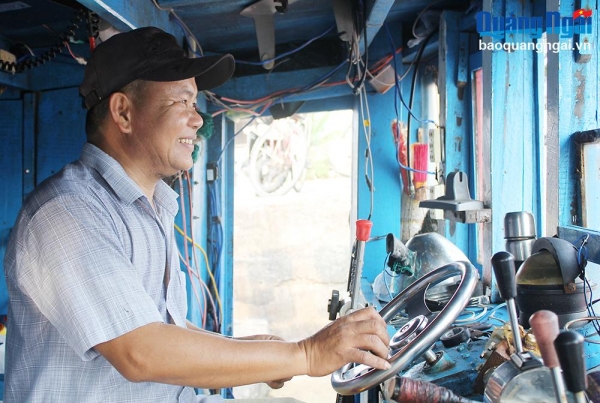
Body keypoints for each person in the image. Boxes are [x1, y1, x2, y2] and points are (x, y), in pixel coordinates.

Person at [3, 26, 391, 402]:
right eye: (181, 102)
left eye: (194, 103)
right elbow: (141, 350)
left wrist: (245, 351)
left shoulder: (149, 206)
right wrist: (307, 354)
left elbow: (155, 325)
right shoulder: (67, 213)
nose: (197, 118)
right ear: (123, 112)